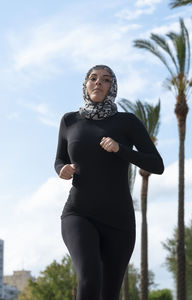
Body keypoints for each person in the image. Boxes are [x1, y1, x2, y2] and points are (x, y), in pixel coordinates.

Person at [54, 65, 164, 300]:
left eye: (105, 80)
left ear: (112, 87)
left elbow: (157, 164)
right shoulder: (70, 121)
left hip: (119, 221)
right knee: (89, 278)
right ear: (85, 84)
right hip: (79, 213)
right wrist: (62, 169)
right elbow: (59, 159)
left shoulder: (127, 122)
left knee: (109, 293)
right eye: (93, 78)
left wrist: (120, 149)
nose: (98, 83)